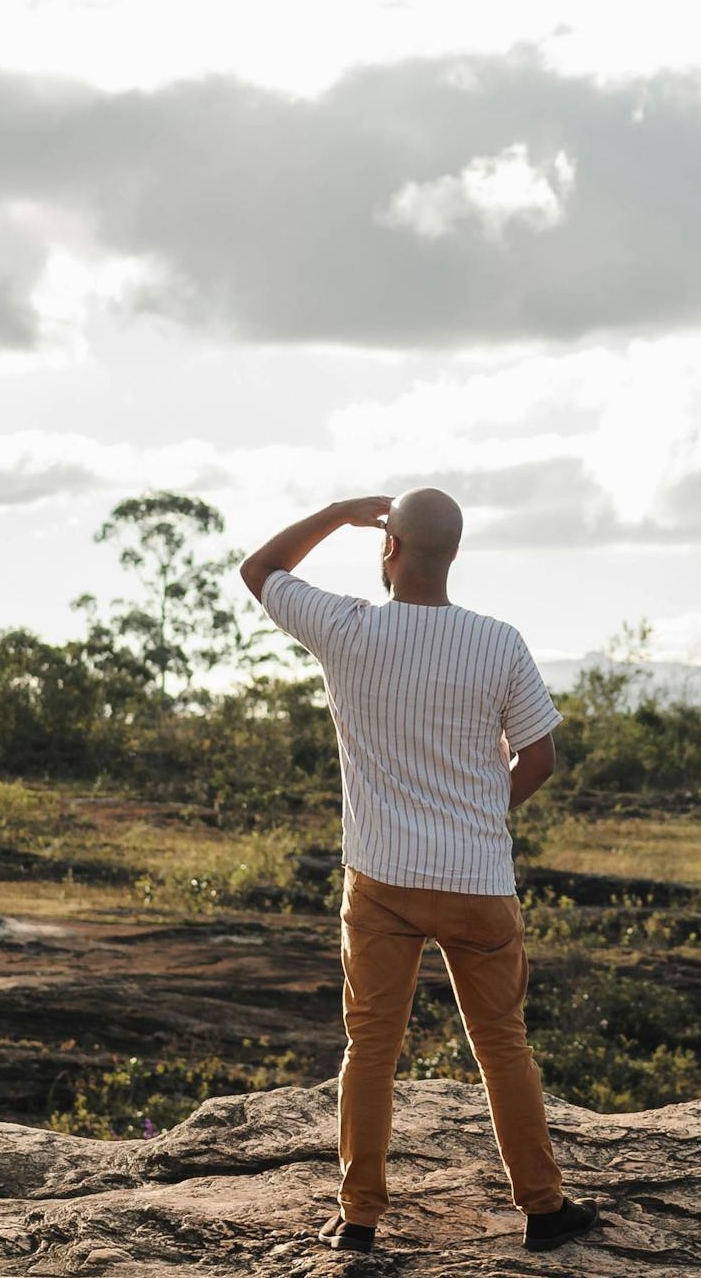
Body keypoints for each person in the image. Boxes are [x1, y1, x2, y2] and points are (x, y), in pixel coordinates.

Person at [240, 488, 599, 1255]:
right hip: (477, 880)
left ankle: (359, 1220)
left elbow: (260, 567)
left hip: (381, 879)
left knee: (369, 1047)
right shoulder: (498, 641)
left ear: (388, 549)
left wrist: (339, 511)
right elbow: (539, 755)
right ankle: (542, 1208)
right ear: (455, 555)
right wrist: (481, 812)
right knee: (503, 1044)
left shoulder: (344, 627)